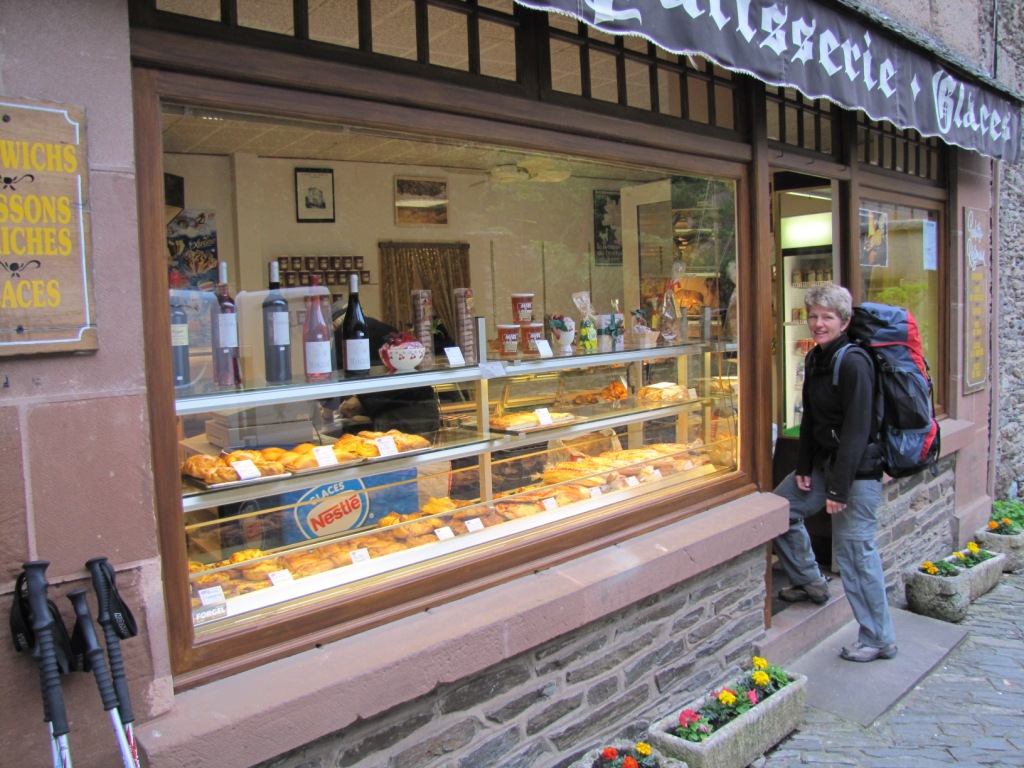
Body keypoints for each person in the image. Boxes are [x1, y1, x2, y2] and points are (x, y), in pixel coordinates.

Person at [773, 284, 897, 663]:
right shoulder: (816, 359)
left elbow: (858, 430)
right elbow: (810, 417)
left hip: (858, 473)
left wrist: (839, 491)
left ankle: (878, 637)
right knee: (778, 510)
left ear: (843, 321)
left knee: (856, 551)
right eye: (813, 315)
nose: (818, 323)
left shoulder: (854, 362)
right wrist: (805, 467)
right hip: (827, 465)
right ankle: (810, 580)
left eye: (827, 317)